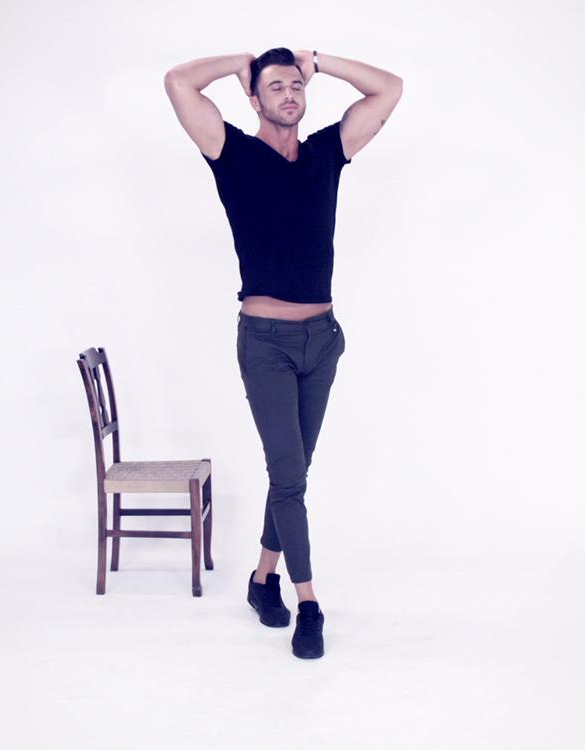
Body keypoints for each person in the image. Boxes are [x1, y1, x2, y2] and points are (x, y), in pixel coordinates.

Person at [164, 48, 402, 659]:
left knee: (290, 475)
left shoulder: (326, 153)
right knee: (290, 478)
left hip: (323, 341)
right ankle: (310, 603)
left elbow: (389, 89)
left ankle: (262, 578)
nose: (289, 94)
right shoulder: (233, 154)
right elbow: (178, 82)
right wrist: (239, 62)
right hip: (265, 343)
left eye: (296, 85)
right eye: (275, 87)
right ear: (254, 99)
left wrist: (317, 60)